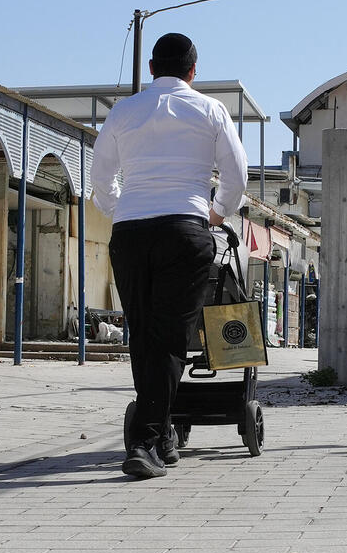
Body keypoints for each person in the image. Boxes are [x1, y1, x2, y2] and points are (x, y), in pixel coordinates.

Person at [91, 33, 248, 480]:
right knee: (171, 337)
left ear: (152, 68)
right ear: (193, 72)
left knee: (142, 334)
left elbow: (101, 175)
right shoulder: (210, 109)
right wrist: (216, 213)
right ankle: (147, 442)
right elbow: (236, 177)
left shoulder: (123, 111)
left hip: (131, 233)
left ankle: (158, 437)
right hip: (185, 229)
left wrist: (120, 209)